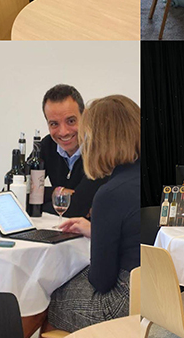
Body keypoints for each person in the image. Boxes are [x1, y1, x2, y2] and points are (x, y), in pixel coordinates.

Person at [22, 95, 140, 337]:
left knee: (43, 292)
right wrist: (96, 230)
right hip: (155, 293)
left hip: (123, 305)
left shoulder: (110, 193)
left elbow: (101, 280)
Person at [38, 84, 109, 218]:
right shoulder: (47, 145)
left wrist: (38, 199)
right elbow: (16, 191)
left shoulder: (100, 150)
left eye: (71, 121)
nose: (63, 132)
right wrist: (60, 192)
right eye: (54, 124)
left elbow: (77, 208)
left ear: (84, 116)